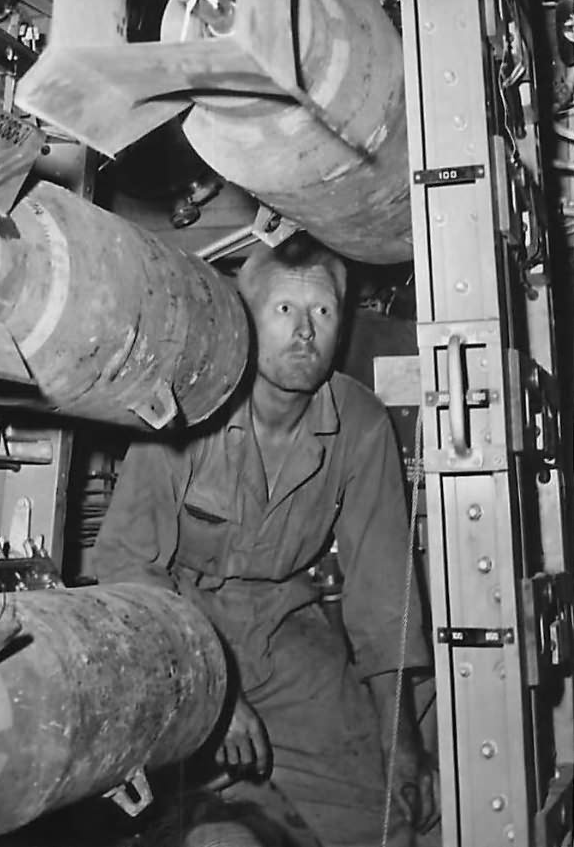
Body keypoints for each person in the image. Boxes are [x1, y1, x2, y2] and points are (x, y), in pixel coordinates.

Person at [91, 234, 439, 847]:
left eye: (322, 312)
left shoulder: (359, 422)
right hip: (176, 628)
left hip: (284, 627)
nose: (305, 332)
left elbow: (384, 597)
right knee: (153, 821)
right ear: (246, 322)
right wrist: (213, 695)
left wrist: (401, 743)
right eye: (284, 310)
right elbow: (125, 564)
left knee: (384, 819)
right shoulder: (185, 405)